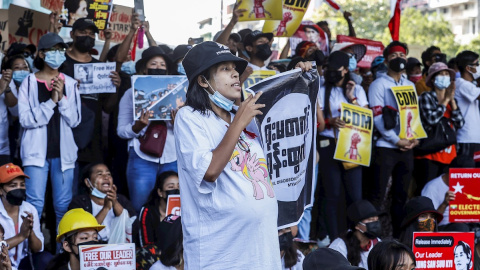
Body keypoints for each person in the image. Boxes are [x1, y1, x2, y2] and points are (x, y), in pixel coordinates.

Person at [176, 41, 314, 269]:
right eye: (224, 69)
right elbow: (209, 172)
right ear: (202, 81)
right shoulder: (190, 117)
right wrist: (240, 120)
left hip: (261, 248)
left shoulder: (247, 118)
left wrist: (297, 76)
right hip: (221, 253)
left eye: (235, 68)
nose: (235, 74)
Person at [18, 33, 81, 228]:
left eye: (61, 50)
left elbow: (75, 120)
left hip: (64, 155)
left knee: (62, 206)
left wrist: (62, 98)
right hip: (35, 154)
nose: (58, 54)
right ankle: (31, 253)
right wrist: (51, 101)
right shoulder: (28, 82)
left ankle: (63, 253)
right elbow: (26, 119)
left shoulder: (69, 83)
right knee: (34, 205)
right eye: (53, 50)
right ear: (42, 54)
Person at [59, 18, 121, 192]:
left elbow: (107, 107)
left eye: (91, 33)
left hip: (93, 142)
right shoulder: (61, 64)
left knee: (90, 192)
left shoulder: (101, 67)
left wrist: (115, 87)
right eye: (82, 32)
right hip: (65, 139)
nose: (87, 36)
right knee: (64, 193)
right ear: (72, 35)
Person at [368, 41, 419, 237]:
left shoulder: (409, 86)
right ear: (387, 60)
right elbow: (378, 116)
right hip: (386, 146)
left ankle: (398, 237)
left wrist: (414, 138)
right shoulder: (378, 84)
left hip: (407, 147)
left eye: (402, 56)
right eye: (394, 56)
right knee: (378, 194)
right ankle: (373, 236)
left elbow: (413, 115)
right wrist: (395, 140)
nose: (399, 59)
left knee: (401, 195)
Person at [117, 46, 178, 213]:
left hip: (172, 156)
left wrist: (177, 122)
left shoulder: (178, 93)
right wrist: (138, 127)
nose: (158, 67)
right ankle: (143, 238)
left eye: (162, 65)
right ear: (144, 68)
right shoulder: (130, 94)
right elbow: (121, 130)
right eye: (154, 64)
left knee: (173, 207)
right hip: (141, 157)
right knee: (141, 207)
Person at [318, 51, 367, 241]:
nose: (331, 72)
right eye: (328, 69)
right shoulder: (322, 90)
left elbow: (366, 117)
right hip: (329, 143)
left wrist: (351, 97)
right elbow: (320, 124)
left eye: (335, 69)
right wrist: (331, 122)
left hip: (352, 144)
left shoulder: (358, 90)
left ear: (345, 70)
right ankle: (334, 237)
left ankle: (356, 236)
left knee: (355, 194)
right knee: (332, 194)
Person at [414, 62, 464, 194]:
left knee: (445, 193)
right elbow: (431, 120)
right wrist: (445, 101)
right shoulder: (426, 97)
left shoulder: (452, 100)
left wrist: (452, 101)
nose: (444, 77)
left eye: (447, 74)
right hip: (430, 154)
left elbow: (460, 123)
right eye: (441, 74)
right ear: (433, 78)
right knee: (426, 191)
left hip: (449, 155)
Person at [68, 163, 137, 243]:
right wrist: (106, 208)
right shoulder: (79, 203)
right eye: (100, 174)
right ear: (88, 182)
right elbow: (84, 232)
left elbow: (130, 225)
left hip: (118, 249)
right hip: (93, 249)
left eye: (108, 174)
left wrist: (115, 202)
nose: (106, 177)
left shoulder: (121, 199)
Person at [0, 163, 49, 270]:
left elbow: (38, 249)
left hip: (23, 264)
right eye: (13, 186)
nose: (19, 189)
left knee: (45, 259)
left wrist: (30, 232)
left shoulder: (29, 209)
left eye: (22, 185)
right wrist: (21, 236)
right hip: (1, 264)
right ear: (0, 190)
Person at [329, 200, 383, 269]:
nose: (375, 224)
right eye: (370, 220)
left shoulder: (377, 244)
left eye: (376, 220)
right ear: (357, 225)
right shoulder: (339, 247)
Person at [138, 171, 179, 247]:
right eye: (171, 187)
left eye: (179, 187)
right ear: (160, 192)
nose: (176, 190)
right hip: (157, 255)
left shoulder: (186, 210)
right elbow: (146, 244)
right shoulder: (148, 211)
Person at [454, 50, 480, 167]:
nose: (479, 67)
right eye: (477, 64)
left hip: (473, 137)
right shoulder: (461, 84)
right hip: (465, 138)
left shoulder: (470, 85)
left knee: (475, 175)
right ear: (468, 68)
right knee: (466, 174)